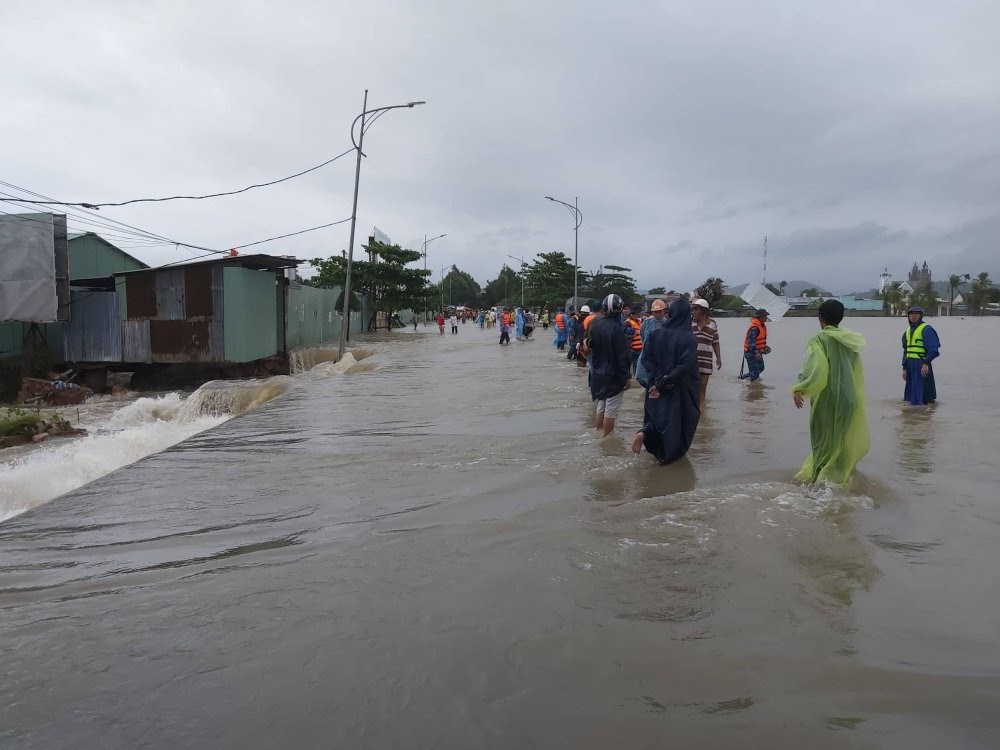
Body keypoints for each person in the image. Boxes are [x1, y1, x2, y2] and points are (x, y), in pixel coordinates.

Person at [791, 299, 869, 484]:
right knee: (841, 444)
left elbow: (816, 368)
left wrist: (800, 388)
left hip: (826, 400)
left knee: (822, 443)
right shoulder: (851, 340)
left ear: (820, 317)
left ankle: (818, 483)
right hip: (849, 399)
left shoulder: (818, 339)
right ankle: (841, 480)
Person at [631, 298, 700, 464]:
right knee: (677, 423)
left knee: (656, 416)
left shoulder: (655, 334)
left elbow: (646, 359)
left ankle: (645, 434)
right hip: (678, 388)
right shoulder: (689, 338)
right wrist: (667, 380)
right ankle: (667, 461)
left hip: (654, 385)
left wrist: (658, 379)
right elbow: (685, 365)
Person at [587, 294, 632, 437]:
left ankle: (598, 433)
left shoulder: (596, 324)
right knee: (610, 411)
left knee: (601, 406)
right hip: (613, 375)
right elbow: (622, 356)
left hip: (598, 374)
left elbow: (591, 347)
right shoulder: (617, 329)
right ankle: (607, 440)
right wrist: (626, 377)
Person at [902, 305, 940, 405]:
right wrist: (904, 368)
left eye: (916, 314)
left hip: (921, 363)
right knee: (910, 393)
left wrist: (926, 363)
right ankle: (915, 413)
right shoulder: (907, 331)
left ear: (921, 316)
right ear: (908, 316)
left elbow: (933, 349)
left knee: (922, 389)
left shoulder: (926, 329)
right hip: (910, 364)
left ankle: (925, 411)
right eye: (911, 314)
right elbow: (906, 351)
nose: (913, 316)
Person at [690, 298, 722, 403]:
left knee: (703, 388)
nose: (693, 312)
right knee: (691, 387)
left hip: (706, 360)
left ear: (704, 310)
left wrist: (718, 357)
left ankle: (701, 411)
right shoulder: (689, 323)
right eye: (693, 309)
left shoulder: (713, 324)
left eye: (696, 309)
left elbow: (715, 342)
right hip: (691, 360)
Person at [635, 298, 667, 387]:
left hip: (661, 356)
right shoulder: (647, 322)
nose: (657, 314)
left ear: (664, 311)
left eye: (659, 311)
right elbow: (642, 335)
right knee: (642, 377)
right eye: (655, 312)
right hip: (646, 354)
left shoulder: (667, 324)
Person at [739, 308, 770, 381]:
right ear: (760, 317)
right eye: (765, 316)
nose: (766, 317)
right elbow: (751, 342)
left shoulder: (762, 325)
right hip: (751, 353)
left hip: (757, 352)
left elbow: (759, 340)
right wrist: (756, 352)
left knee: (761, 368)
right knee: (754, 374)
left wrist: (764, 348)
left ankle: (742, 379)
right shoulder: (755, 328)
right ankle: (750, 386)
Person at [624, 303, 644, 377]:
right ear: (636, 312)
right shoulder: (627, 323)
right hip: (631, 348)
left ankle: (636, 378)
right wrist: (632, 335)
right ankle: (627, 378)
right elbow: (623, 335)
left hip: (639, 348)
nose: (640, 313)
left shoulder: (639, 322)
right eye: (639, 312)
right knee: (628, 364)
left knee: (637, 364)